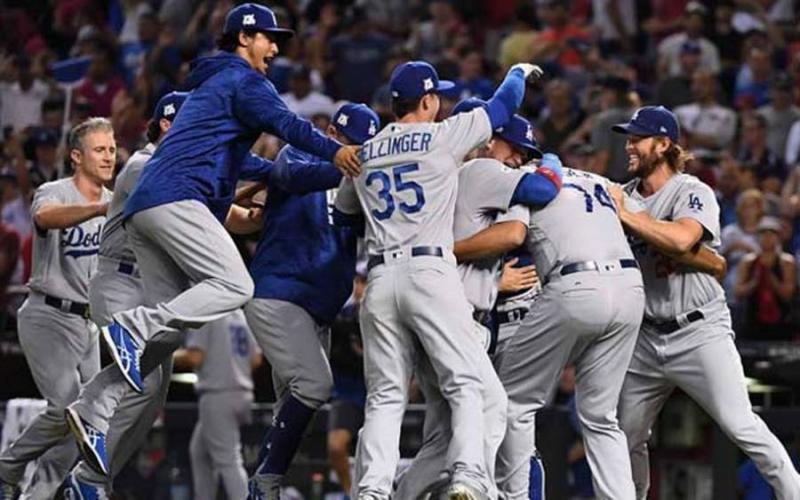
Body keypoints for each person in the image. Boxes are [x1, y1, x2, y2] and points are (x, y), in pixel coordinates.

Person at [95, 2, 359, 402]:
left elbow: (244, 162)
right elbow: (288, 125)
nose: (275, 48)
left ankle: (94, 405)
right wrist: (334, 153)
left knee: (169, 333)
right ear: (244, 37)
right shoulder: (244, 81)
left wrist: (282, 176)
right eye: (268, 38)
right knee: (235, 285)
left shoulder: (212, 85)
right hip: (175, 198)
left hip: (151, 207)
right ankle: (133, 325)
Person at [334, 60, 541, 498]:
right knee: (465, 382)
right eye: (438, 98)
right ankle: (467, 476)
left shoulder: (367, 149)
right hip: (429, 268)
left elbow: (345, 213)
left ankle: (371, 491)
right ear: (427, 101)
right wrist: (519, 73)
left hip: (380, 277)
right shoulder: (442, 135)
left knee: (386, 397)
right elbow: (503, 106)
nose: (441, 104)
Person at [609, 105, 800, 500]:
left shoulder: (691, 190)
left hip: (698, 330)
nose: (628, 145)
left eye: (636, 138)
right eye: (627, 138)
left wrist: (627, 217)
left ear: (663, 144)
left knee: (741, 425)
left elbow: (682, 240)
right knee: (624, 435)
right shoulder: (621, 195)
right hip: (645, 337)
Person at [394, 100, 561, 500]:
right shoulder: (482, 169)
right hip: (455, 316)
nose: (519, 158)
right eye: (513, 148)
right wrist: (550, 162)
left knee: (442, 439)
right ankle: (475, 489)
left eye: (527, 154)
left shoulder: (436, 173)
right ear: (487, 139)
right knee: (491, 404)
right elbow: (516, 230)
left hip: (422, 306)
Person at [246, 103, 379, 498]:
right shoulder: (300, 153)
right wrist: (347, 165)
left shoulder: (359, 183)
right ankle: (264, 481)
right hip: (278, 293)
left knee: (291, 406)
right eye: (354, 145)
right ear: (335, 137)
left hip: (316, 311)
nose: (358, 153)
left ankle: (267, 487)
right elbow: (288, 173)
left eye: (364, 148)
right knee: (315, 385)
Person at [62, 92, 188, 498]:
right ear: (167, 125)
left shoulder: (173, 166)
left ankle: (95, 481)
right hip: (121, 280)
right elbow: (199, 209)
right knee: (144, 385)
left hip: (151, 288)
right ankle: (87, 467)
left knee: (154, 399)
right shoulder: (141, 165)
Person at [0, 117, 114, 500]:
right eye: (99, 149)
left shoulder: (114, 202)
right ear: (76, 157)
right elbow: (44, 218)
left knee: (91, 421)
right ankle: (7, 468)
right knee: (68, 408)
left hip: (88, 324)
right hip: (47, 314)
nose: (108, 156)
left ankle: (37, 495)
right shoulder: (55, 191)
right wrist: (97, 210)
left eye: (112, 149)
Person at [178, 310, 261, 500]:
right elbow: (255, 359)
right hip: (241, 392)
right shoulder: (238, 314)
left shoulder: (207, 312)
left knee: (229, 461)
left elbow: (195, 357)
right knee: (200, 452)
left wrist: (165, 357)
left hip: (218, 394)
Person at [734, 216, 797, 340]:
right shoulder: (748, 262)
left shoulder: (786, 262)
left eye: (771, 234)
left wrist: (770, 277)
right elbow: (738, 292)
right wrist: (755, 282)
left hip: (781, 321)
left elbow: (788, 294)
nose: (767, 238)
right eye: (763, 234)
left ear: (778, 237)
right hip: (753, 319)